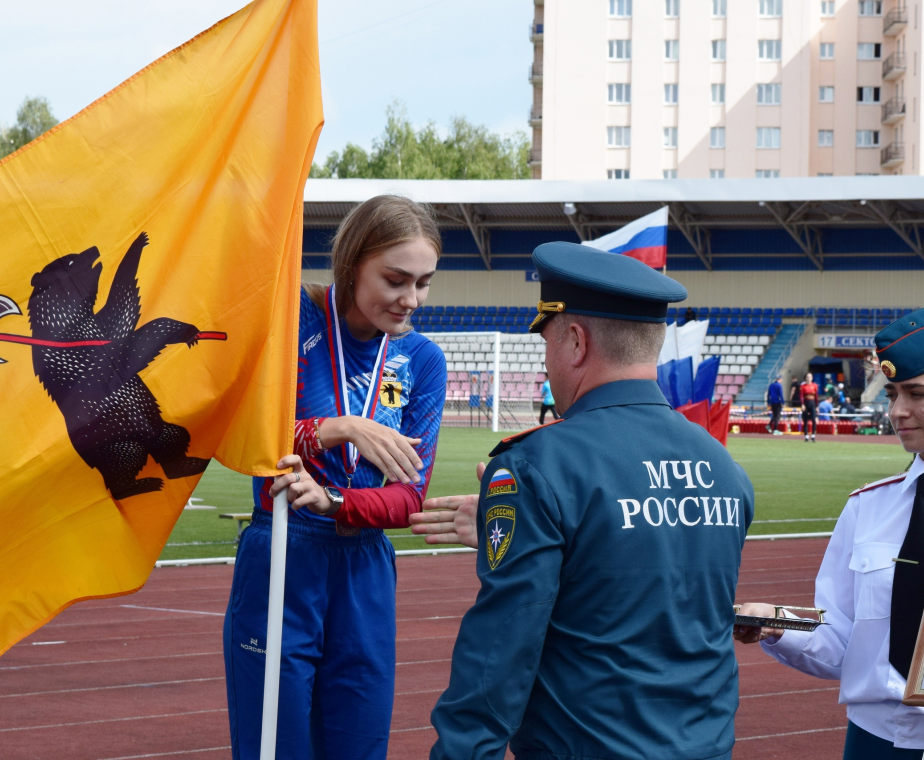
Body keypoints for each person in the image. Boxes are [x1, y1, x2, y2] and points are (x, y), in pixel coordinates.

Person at [409, 242, 754, 760]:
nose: (547, 363)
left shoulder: (537, 466)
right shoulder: (724, 468)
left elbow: (502, 645)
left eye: (547, 342)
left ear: (574, 340)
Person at [223, 196, 447, 760]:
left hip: (365, 569)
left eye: (423, 282)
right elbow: (246, 430)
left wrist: (333, 500)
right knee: (274, 748)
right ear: (352, 264)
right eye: (395, 279)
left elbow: (407, 498)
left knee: (358, 748)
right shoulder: (290, 316)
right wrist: (338, 429)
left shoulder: (421, 360)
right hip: (282, 552)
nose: (410, 300)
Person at [735, 306, 924, 759]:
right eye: (891, 395)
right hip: (874, 741)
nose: (898, 411)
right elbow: (843, 635)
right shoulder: (867, 508)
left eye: (916, 393)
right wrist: (777, 622)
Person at [800, 372, 820, 442]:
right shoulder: (803, 386)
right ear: (805, 378)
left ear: (812, 378)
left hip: (812, 404)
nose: (809, 378)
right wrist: (802, 404)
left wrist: (817, 406)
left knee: (814, 420)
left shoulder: (815, 386)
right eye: (807, 377)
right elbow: (801, 396)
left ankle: (813, 435)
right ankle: (806, 436)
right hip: (806, 403)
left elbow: (816, 397)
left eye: (810, 377)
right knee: (805, 421)